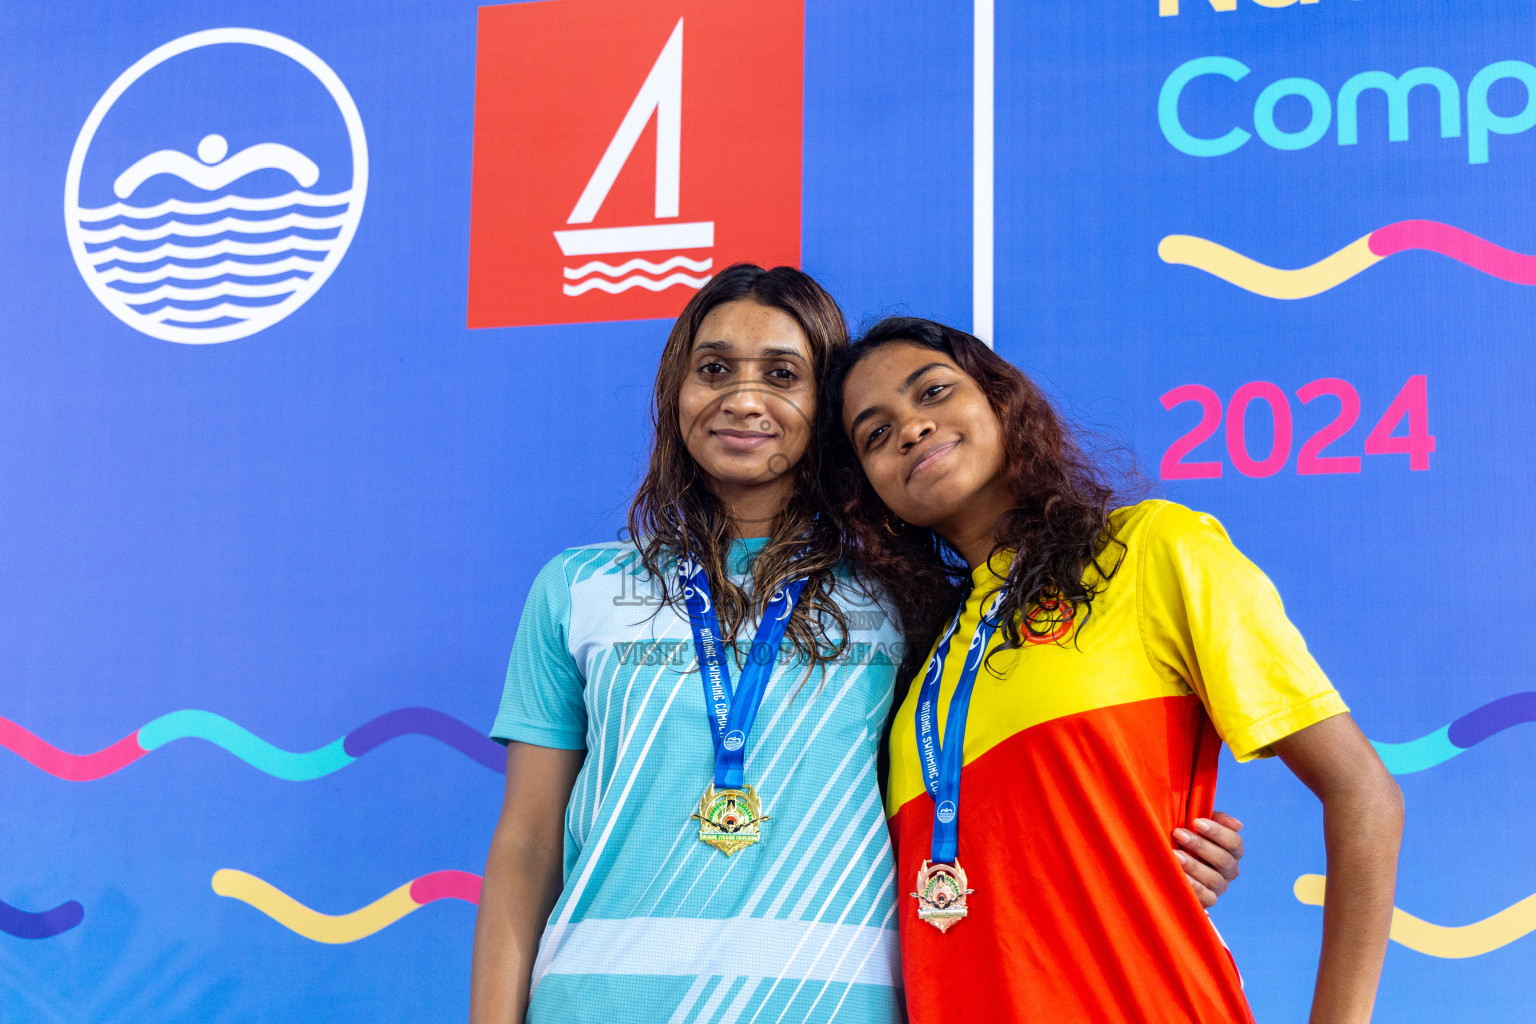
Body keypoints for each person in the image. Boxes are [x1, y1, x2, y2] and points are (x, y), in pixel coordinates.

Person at [468, 267, 1246, 1024]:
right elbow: (528, 840)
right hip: (600, 1002)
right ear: (676, 393)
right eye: (713, 370)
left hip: (839, 1002)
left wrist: (1145, 850)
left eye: (782, 373)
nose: (744, 398)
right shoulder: (578, 590)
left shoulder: (906, 598)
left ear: (826, 409)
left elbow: (983, 797)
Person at [826, 316, 1405, 1024]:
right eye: (874, 434)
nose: (911, 428)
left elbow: (1365, 795)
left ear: (1001, 400)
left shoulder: (1153, 550)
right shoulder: (915, 674)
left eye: (934, 391)